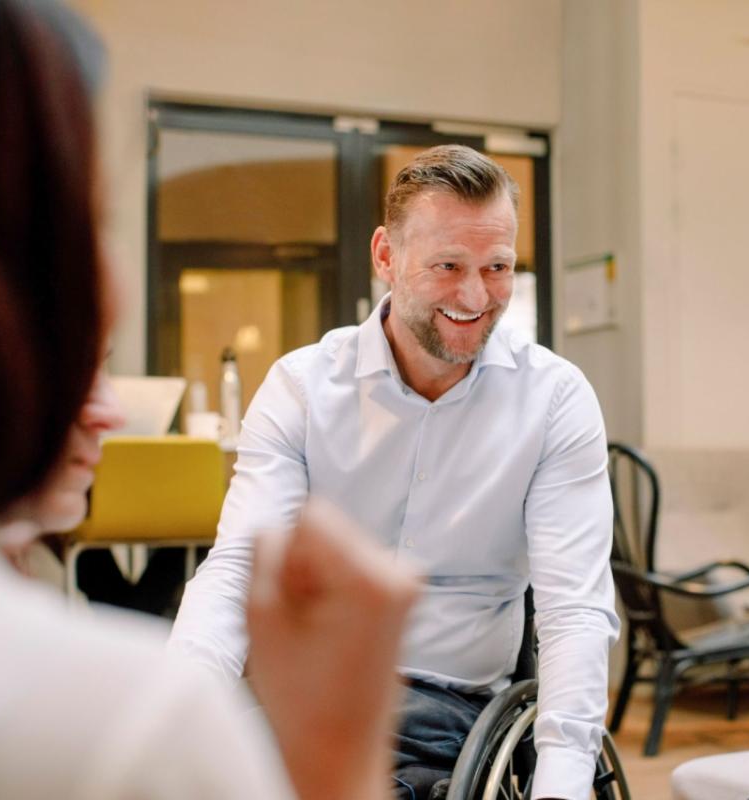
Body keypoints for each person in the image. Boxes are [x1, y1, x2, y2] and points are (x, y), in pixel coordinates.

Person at [0, 2, 417, 798]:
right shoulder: (115, 727)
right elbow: (233, 560)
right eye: (92, 224)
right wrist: (337, 751)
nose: (108, 410)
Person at [169, 144, 620, 800]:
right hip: (302, 693)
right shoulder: (301, 387)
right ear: (386, 256)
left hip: (451, 711)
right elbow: (238, 566)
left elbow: (573, 609)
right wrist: (179, 713)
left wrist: (560, 786)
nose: (475, 295)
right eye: (447, 265)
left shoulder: (553, 399)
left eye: (497, 267)